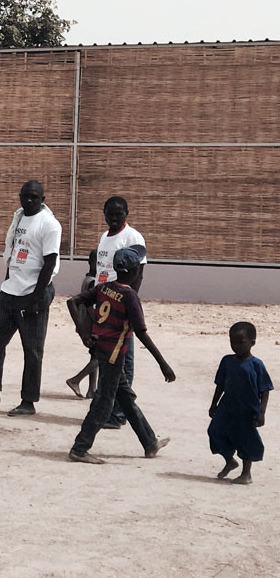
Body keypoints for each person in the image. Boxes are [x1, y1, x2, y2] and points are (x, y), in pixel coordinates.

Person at [67, 248, 175, 465]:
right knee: (104, 402)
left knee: (125, 397)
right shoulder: (129, 296)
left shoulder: (104, 287)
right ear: (135, 272)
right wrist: (163, 363)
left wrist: (84, 332)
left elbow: (72, 302)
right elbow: (141, 333)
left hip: (101, 350)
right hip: (114, 355)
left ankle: (149, 443)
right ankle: (80, 448)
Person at [0, 180, 62, 416]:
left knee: (32, 350)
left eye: (34, 197)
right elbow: (13, 253)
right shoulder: (18, 217)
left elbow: (49, 263)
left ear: (43, 200)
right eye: (25, 196)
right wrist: (8, 280)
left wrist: (36, 299)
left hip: (33, 293)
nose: (29, 200)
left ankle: (28, 401)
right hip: (10, 291)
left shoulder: (49, 225)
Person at [93, 196, 147, 427]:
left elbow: (139, 274)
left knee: (124, 361)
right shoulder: (104, 237)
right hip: (104, 305)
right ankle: (106, 409)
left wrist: (128, 305)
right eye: (110, 214)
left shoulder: (132, 237)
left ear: (127, 213)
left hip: (121, 308)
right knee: (108, 360)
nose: (114, 218)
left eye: (118, 214)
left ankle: (118, 414)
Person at [209, 321, 272, 485]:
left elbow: (265, 390)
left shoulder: (256, 364)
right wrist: (214, 404)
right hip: (226, 407)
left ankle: (246, 474)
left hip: (247, 410)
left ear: (252, 342)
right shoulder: (227, 361)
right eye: (233, 342)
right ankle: (229, 460)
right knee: (214, 431)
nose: (236, 346)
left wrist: (262, 412)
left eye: (241, 342)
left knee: (246, 439)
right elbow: (220, 384)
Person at [64, 249, 101, 399]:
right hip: (90, 323)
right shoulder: (92, 282)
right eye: (97, 262)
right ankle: (76, 380)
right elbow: (90, 307)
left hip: (86, 322)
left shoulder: (88, 279)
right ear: (90, 262)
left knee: (94, 354)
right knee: (102, 355)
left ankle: (92, 389)